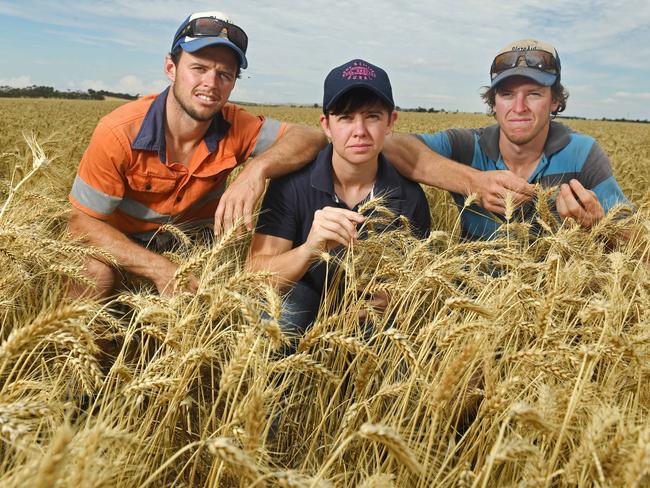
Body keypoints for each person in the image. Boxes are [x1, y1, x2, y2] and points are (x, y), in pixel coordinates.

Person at [67, 11, 326, 297]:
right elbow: (81, 224)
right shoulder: (118, 132)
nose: (211, 84)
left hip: (195, 249)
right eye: (199, 68)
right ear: (171, 67)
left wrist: (256, 171)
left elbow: (310, 137)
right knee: (93, 274)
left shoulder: (236, 124)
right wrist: (157, 268)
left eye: (224, 74)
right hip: (123, 244)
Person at [246, 59, 431, 338]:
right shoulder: (291, 185)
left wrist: (394, 298)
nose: (359, 130)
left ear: (391, 122)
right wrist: (309, 249)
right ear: (327, 125)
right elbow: (254, 277)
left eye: (372, 116)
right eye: (345, 117)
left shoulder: (410, 196)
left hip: (370, 322)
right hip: (302, 306)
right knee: (287, 315)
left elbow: (421, 281)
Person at [383, 39, 631, 240]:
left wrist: (600, 226)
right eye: (507, 94)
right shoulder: (467, 146)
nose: (519, 107)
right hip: (473, 295)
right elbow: (388, 145)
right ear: (494, 103)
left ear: (555, 100)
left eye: (533, 94)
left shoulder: (582, 153)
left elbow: (638, 242)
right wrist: (474, 183)